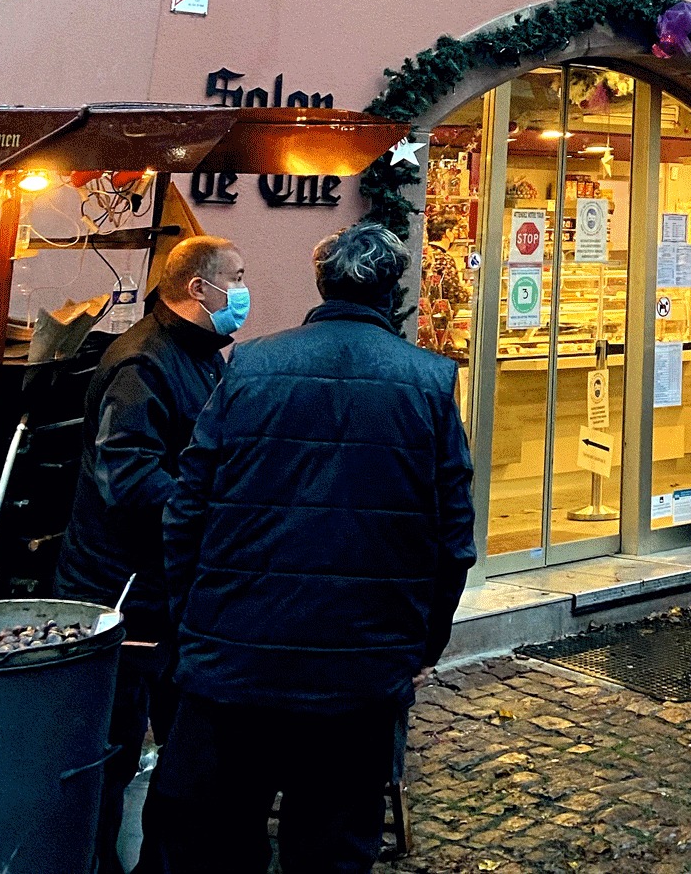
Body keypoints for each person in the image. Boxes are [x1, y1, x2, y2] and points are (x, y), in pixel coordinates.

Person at [155, 221, 476, 874]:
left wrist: (196, 619)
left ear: (321, 281)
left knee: (216, 846)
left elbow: (186, 507)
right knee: (330, 851)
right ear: (394, 289)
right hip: (358, 680)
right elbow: (453, 541)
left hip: (234, 663)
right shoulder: (429, 382)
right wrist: (419, 647)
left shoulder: (251, 364)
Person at [53, 234, 248, 874]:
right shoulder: (142, 364)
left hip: (170, 591)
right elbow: (128, 477)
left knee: (185, 750)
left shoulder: (201, 355)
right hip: (124, 593)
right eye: (237, 278)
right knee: (111, 749)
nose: (245, 292)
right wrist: (210, 508)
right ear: (200, 288)